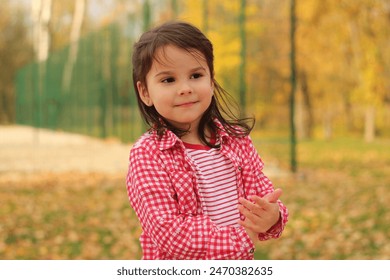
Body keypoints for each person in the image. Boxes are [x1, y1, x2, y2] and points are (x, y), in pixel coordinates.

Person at [126, 21, 288, 260]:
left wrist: (273, 215)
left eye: (196, 75)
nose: (185, 88)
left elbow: (262, 194)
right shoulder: (148, 154)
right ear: (145, 92)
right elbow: (168, 232)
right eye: (168, 80)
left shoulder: (236, 140)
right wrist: (240, 240)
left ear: (211, 81)